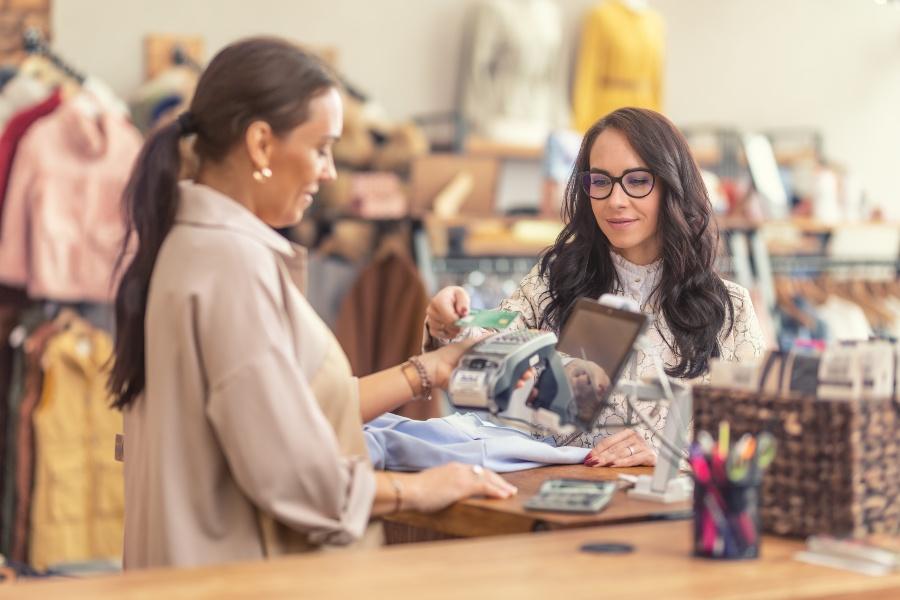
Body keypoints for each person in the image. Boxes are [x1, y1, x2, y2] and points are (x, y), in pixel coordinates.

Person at [108, 37, 518, 570]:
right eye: (321, 148)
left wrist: (430, 370)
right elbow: (290, 474)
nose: (328, 171)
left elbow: (289, 412)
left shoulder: (187, 245)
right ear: (260, 144)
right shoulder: (233, 266)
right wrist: (418, 491)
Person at [425, 107, 766, 467]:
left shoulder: (730, 307)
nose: (615, 200)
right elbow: (489, 347)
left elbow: (754, 440)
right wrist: (449, 324)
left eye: (637, 180)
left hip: (669, 515)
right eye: (600, 182)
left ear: (672, 184)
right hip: (557, 502)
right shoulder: (555, 280)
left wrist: (671, 458)